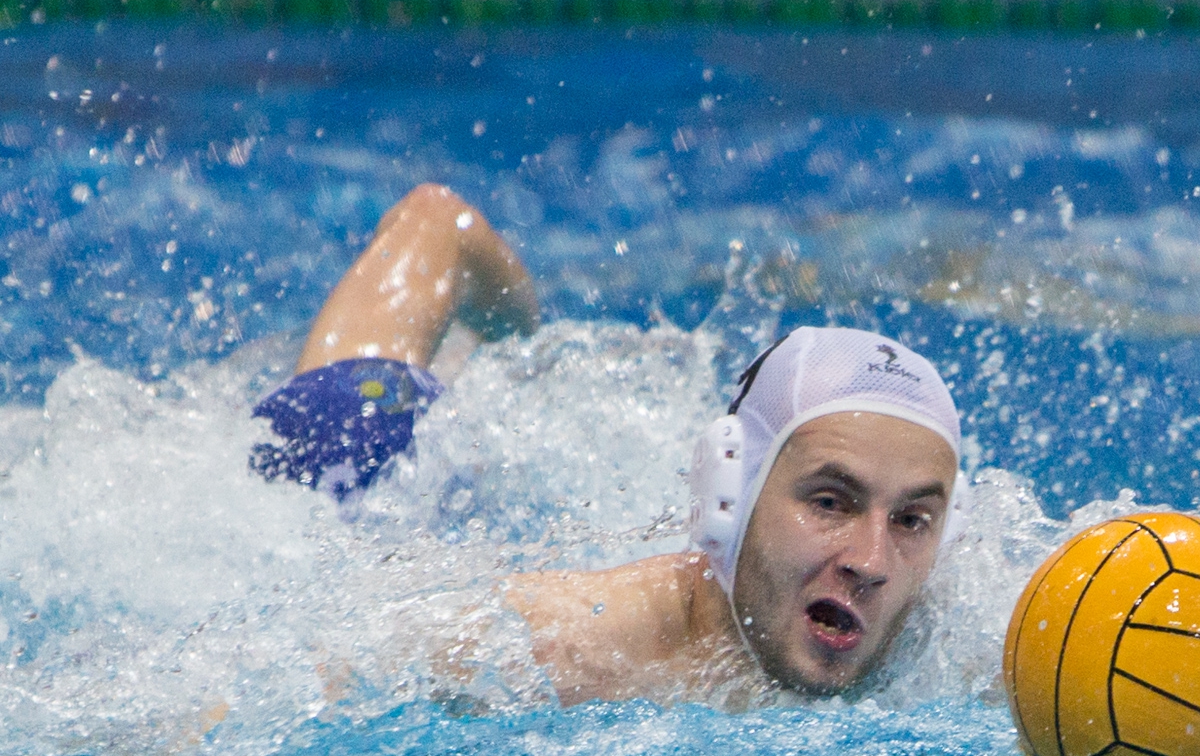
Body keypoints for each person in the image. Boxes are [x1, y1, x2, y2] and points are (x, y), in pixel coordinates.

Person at [251, 184, 970, 708]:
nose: (873, 562)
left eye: (911, 519)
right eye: (829, 501)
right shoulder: (555, 645)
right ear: (730, 493)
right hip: (366, 501)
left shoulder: (954, 635)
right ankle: (455, 245)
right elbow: (272, 687)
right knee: (347, 425)